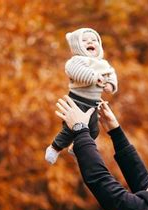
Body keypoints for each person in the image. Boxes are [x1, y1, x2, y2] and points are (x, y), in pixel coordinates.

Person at [45, 27, 118, 164]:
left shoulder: (103, 64)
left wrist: (110, 84)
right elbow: (76, 72)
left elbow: (111, 73)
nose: (90, 42)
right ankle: (55, 147)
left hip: (94, 104)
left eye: (94, 40)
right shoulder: (76, 60)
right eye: (84, 40)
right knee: (70, 129)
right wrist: (94, 77)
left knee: (94, 131)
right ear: (77, 46)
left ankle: (77, 147)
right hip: (77, 101)